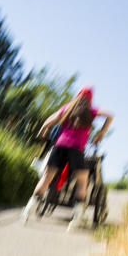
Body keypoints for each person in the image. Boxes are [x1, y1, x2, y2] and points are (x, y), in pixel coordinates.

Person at [21, 87, 113, 229]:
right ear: (90, 98)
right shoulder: (91, 111)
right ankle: (76, 220)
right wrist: (100, 133)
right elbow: (110, 115)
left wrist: (43, 130)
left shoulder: (67, 108)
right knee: (82, 183)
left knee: (45, 179)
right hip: (76, 150)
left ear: (78, 96)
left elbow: (49, 121)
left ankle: (28, 211)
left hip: (59, 147)